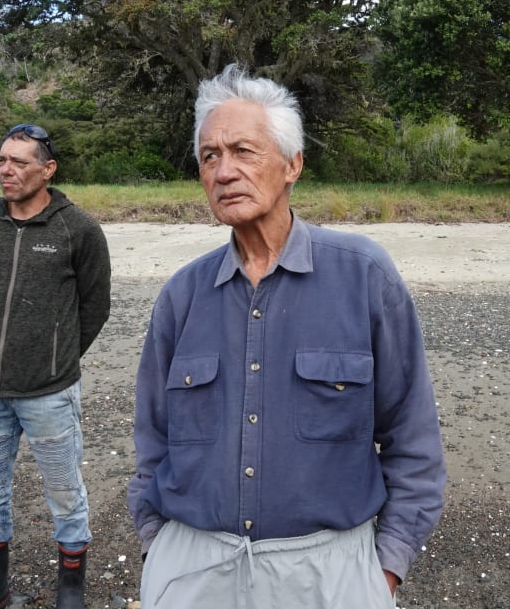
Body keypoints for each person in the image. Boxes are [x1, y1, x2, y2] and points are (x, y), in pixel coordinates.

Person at [126, 64, 446, 608]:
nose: (224, 171)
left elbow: (412, 440)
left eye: (243, 151)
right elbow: (152, 441)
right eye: (209, 156)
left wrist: (385, 568)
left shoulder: (364, 275)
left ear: (292, 164)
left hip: (329, 573)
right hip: (192, 567)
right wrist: (159, 549)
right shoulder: (182, 295)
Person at [0, 124, 112, 609]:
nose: (7, 170)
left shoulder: (78, 230)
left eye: (20, 162)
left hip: (49, 392)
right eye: (2, 160)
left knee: (65, 493)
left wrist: (56, 355)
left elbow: (95, 306)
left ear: (48, 170)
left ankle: (70, 589)